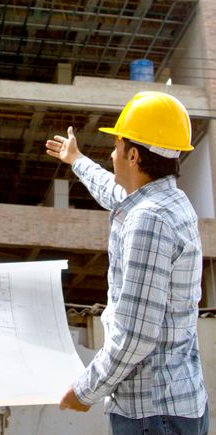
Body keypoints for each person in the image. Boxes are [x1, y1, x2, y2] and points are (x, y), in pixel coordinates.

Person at [46, 91, 209, 435]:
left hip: (151, 415)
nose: (111, 153)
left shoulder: (149, 220)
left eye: (117, 145)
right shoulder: (169, 202)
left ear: (133, 155)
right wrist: (76, 160)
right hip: (176, 404)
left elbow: (135, 336)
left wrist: (84, 390)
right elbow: (113, 191)